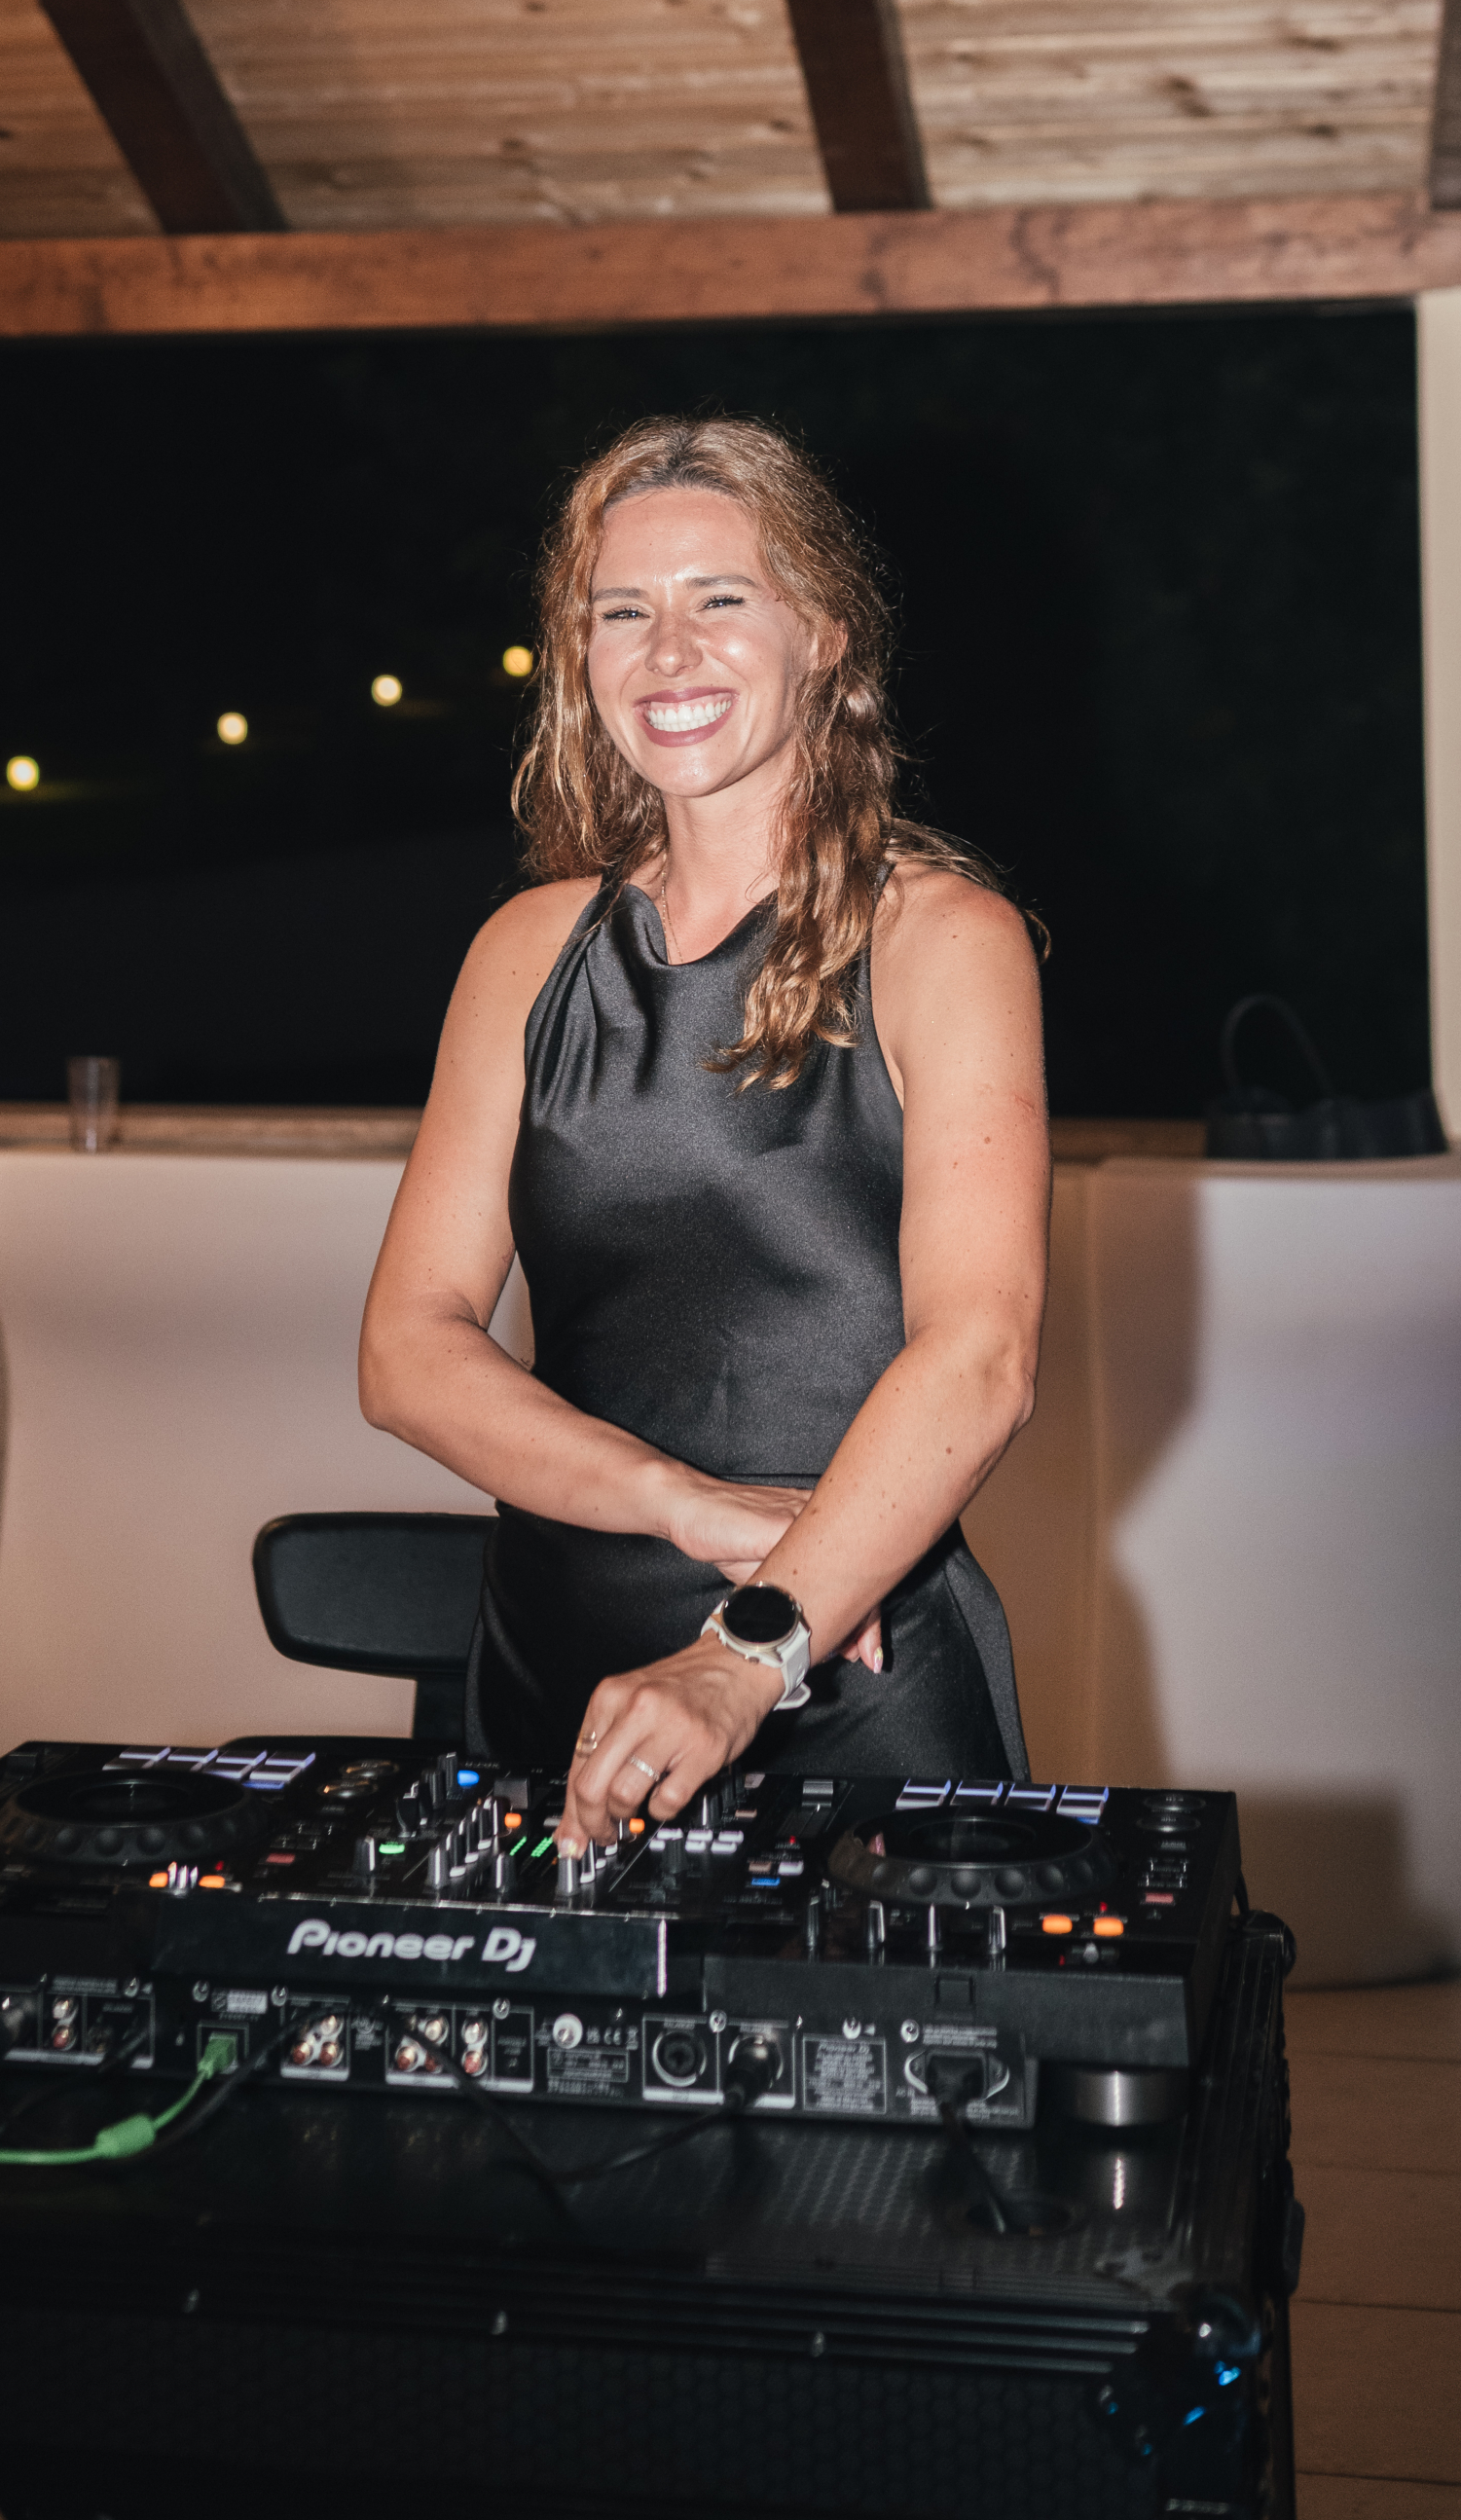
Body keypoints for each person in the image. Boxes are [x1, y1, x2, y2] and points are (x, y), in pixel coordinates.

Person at [359, 415, 1049, 1855]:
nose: (667, 652)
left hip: (846, 1671)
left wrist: (750, 1649)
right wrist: (684, 1505)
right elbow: (406, 1352)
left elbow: (981, 1357)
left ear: (824, 637)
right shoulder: (525, 952)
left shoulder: (944, 940)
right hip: (552, 1680)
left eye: (720, 598)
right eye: (623, 612)